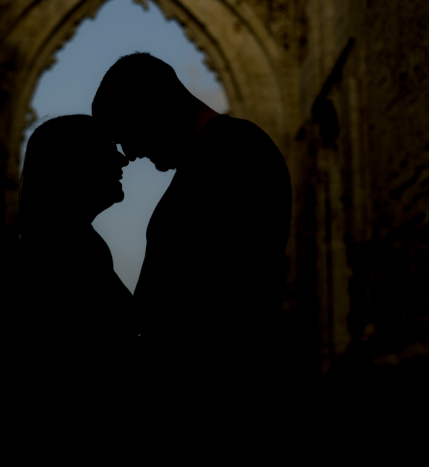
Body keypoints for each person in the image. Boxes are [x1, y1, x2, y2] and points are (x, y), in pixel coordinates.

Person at [92, 53, 293, 459]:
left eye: (123, 133)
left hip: (214, 425)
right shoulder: (214, 158)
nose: (127, 154)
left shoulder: (235, 154)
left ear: (148, 99)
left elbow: (222, 306)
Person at [14, 115, 135, 454]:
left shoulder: (65, 245)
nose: (122, 158)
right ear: (76, 163)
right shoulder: (64, 252)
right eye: (109, 148)